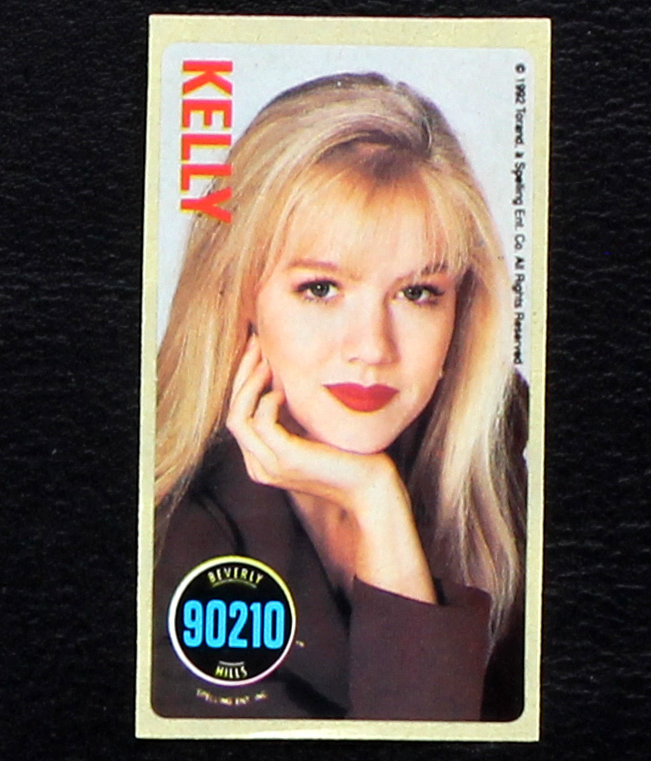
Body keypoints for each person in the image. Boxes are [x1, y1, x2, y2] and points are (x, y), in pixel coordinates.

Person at [152, 72, 527, 721]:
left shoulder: (495, 456)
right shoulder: (173, 539)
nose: (372, 348)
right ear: (239, 294)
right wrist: (374, 498)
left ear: (461, 309)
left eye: (417, 293)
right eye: (320, 289)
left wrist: (375, 501)